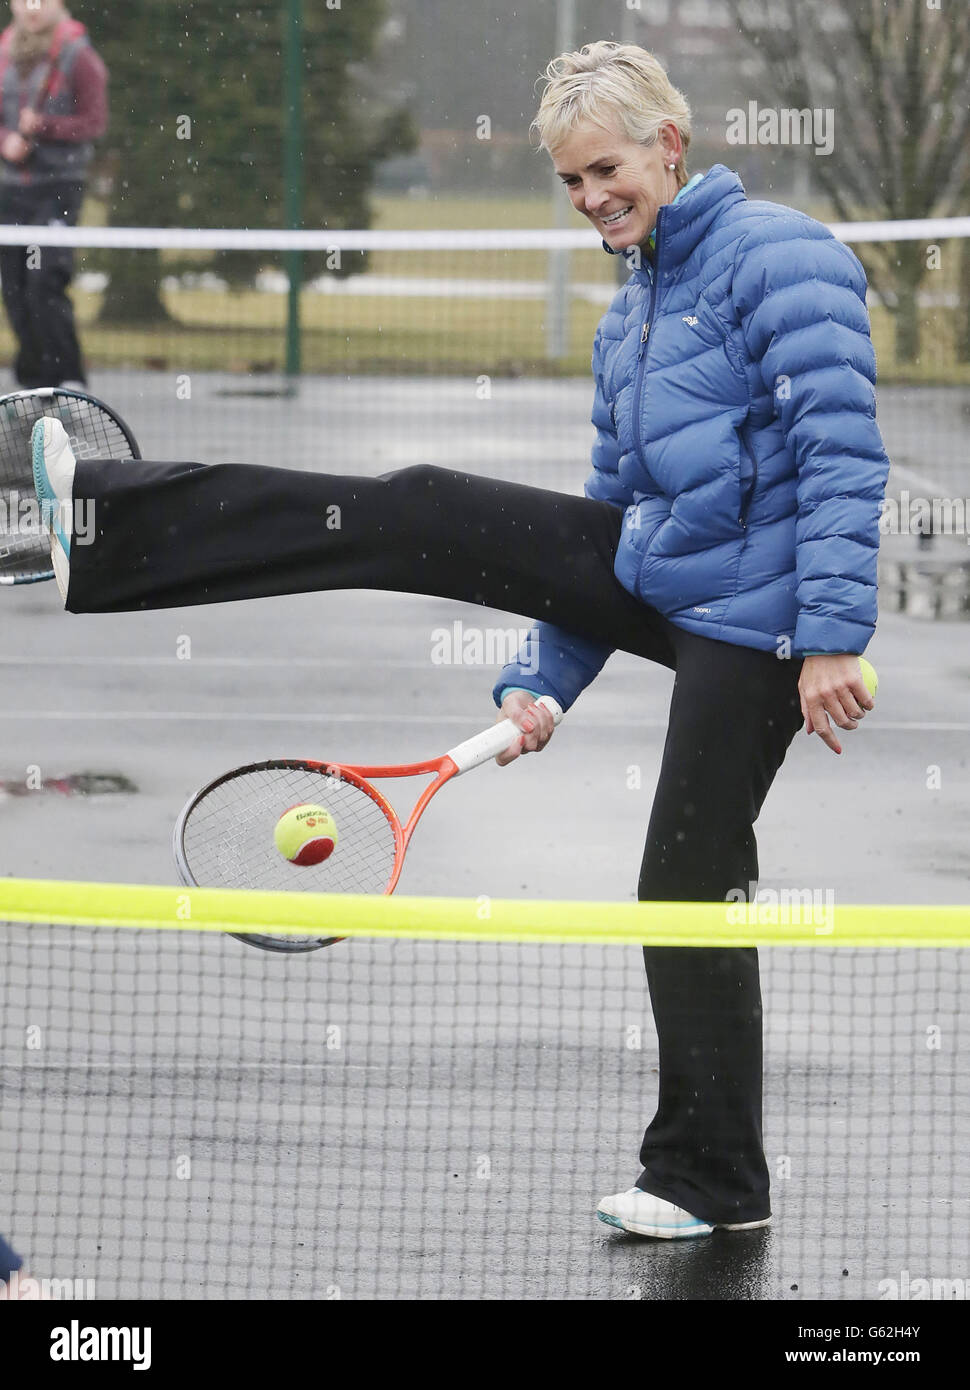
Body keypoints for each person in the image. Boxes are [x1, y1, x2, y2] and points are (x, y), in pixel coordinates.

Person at [30, 42, 889, 1239]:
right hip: (666, 577)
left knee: (683, 886)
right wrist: (541, 681)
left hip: (764, 627)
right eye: (570, 182)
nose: (591, 198)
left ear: (668, 147)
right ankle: (111, 530)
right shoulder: (633, 303)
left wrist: (834, 637)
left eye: (605, 170)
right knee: (425, 501)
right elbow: (613, 504)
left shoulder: (781, 256)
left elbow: (842, 455)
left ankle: (710, 1180)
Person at [0, 0, 107, 389]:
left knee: (44, 282)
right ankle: (32, 381)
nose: (31, 7)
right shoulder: (3, 52)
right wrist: (7, 140)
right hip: (12, 191)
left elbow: (94, 122)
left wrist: (45, 126)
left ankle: (68, 378)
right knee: (13, 289)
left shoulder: (79, 56)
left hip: (59, 188)